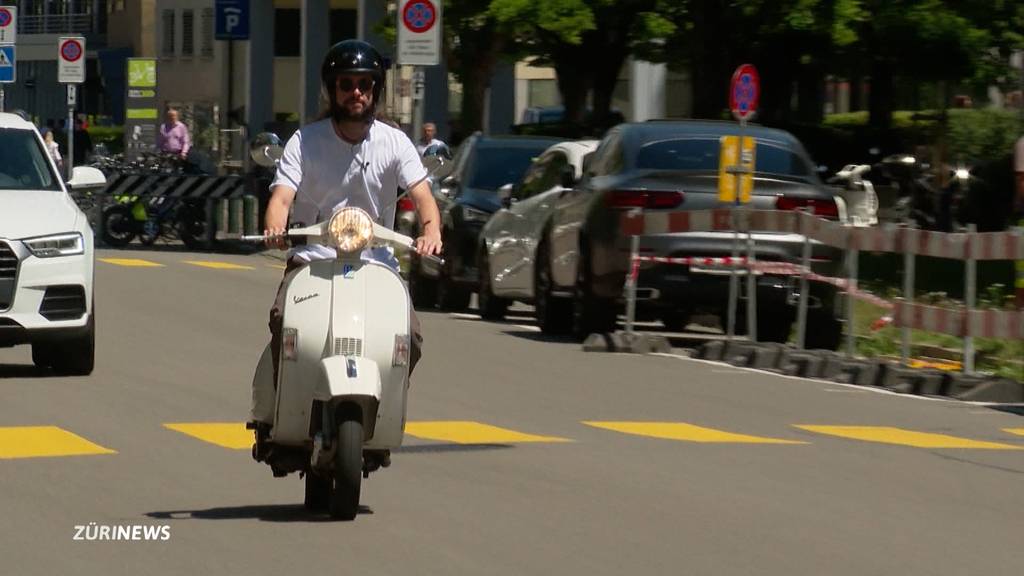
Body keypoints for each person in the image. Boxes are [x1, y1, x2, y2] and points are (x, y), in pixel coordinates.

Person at [252, 39, 443, 426]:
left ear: (376, 89)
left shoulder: (395, 142)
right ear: (331, 89)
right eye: (346, 83)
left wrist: (431, 231)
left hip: (377, 264)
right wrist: (276, 226)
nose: (356, 92)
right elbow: (282, 196)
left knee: (410, 337)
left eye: (365, 84)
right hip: (312, 260)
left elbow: (423, 197)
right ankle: (279, 417)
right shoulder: (304, 141)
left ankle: (385, 412)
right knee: (282, 322)